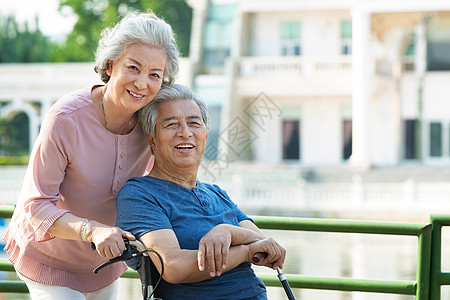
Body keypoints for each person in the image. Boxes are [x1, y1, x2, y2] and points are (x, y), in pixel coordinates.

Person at [3, 11, 180, 299]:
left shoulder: (152, 123)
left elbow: (169, 181)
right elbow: (35, 206)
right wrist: (93, 230)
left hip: (105, 261)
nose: (142, 83)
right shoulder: (66, 118)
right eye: (133, 68)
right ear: (111, 65)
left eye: (155, 75)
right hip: (47, 257)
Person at [116, 84, 286, 300]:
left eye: (194, 123)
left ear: (205, 134)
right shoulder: (139, 194)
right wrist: (243, 252)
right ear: (152, 138)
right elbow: (174, 266)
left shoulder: (217, 193)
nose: (185, 133)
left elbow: (268, 248)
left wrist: (227, 232)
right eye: (171, 125)